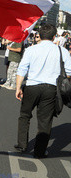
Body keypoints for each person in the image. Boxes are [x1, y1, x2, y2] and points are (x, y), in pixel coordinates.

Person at [15, 24, 71, 158]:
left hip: (32, 86)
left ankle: (22, 145)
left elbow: (22, 70)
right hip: (51, 88)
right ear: (54, 36)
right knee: (45, 120)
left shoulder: (31, 49)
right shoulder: (61, 51)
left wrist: (18, 87)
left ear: (39, 35)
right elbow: (69, 72)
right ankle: (39, 151)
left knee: (25, 115)